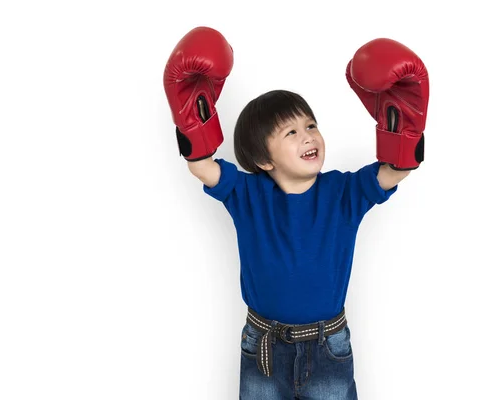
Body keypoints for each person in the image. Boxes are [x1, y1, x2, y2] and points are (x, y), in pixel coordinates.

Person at [164, 26, 429, 400]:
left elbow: (394, 171)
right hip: (264, 345)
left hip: (328, 345)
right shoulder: (247, 194)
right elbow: (203, 167)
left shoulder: (344, 192)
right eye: (290, 132)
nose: (308, 136)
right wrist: (192, 118)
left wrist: (405, 129)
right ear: (262, 159)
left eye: (311, 125)